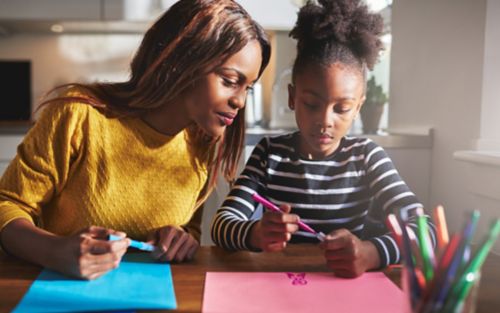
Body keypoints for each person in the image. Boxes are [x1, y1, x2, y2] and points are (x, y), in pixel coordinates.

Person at [0, 0, 271, 280]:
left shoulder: (204, 142)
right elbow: (6, 206)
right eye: (229, 80)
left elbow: (189, 229)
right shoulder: (78, 115)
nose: (239, 100)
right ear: (183, 62)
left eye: (247, 87)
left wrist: (181, 239)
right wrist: (53, 250)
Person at [211, 0, 436, 278]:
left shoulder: (366, 157)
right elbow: (221, 225)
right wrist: (255, 233)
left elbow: (426, 232)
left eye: (341, 108)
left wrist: (370, 253)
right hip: (280, 289)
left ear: (358, 108)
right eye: (311, 104)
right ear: (293, 97)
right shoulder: (270, 154)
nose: (325, 120)